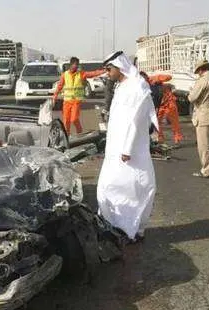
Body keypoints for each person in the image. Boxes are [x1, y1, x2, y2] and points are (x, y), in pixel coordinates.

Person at [97, 51, 156, 241]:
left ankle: (131, 230)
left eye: (109, 69)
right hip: (116, 150)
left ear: (120, 67)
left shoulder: (137, 87)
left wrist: (127, 149)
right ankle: (116, 227)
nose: (107, 73)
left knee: (133, 188)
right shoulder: (122, 86)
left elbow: (136, 121)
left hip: (130, 152)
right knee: (110, 187)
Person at [53, 57, 105, 134]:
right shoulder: (65, 75)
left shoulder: (81, 74)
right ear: (71, 64)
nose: (77, 66)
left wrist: (103, 71)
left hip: (76, 101)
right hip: (67, 101)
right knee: (66, 120)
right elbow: (60, 86)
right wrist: (55, 96)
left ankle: (79, 131)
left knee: (74, 119)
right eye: (75, 64)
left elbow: (93, 73)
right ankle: (66, 136)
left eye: (77, 65)